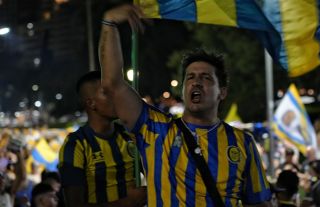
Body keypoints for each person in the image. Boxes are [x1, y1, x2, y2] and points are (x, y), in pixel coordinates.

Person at [99, 4, 271, 206]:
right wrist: (108, 22)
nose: (196, 82)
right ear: (183, 89)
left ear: (222, 92)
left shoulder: (243, 143)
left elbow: (259, 203)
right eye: (190, 77)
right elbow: (113, 84)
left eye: (206, 77)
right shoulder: (155, 129)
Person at [58, 71, 146, 207]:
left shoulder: (130, 136)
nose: (117, 97)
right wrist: (126, 203)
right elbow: (74, 204)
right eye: (107, 93)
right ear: (91, 103)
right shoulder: (75, 145)